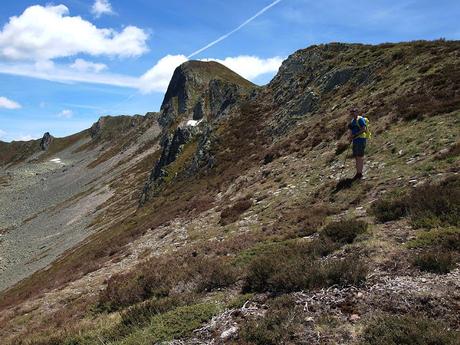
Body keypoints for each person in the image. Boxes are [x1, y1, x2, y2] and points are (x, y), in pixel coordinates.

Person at [348, 108, 368, 180]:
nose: (352, 114)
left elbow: (363, 129)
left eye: (353, 112)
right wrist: (351, 138)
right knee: (357, 156)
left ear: (357, 112)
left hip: (360, 139)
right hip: (355, 140)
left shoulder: (360, 119)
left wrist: (355, 135)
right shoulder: (353, 121)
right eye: (351, 113)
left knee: (359, 156)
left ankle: (360, 174)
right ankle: (358, 173)